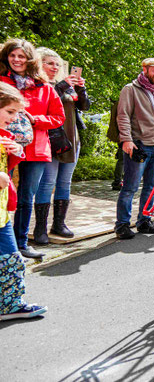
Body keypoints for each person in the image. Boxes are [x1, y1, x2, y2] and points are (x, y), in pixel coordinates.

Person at [0, 39, 65, 259]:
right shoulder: (1, 81)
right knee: (2, 193)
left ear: (30, 60)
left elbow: (58, 117)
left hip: (35, 148)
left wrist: (35, 119)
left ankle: (21, 243)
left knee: (26, 197)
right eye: (12, 55)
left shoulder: (45, 87)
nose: (17, 60)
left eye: (21, 56)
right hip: (5, 145)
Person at [0, 82, 47, 321]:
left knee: (11, 259)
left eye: (18, 113)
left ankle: (9, 305)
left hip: (2, 213)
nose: (14, 118)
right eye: (10, 112)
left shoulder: (5, 137)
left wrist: (14, 153)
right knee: (11, 259)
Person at [33, 48, 90, 243]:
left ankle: (59, 224)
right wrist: (62, 85)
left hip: (71, 138)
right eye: (49, 63)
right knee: (47, 182)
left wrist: (81, 89)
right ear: (39, 64)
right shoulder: (39, 84)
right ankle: (40, 228)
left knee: (64, 183)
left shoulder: (66, 85)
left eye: (57, 64)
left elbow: (84, 106)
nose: (54, 67)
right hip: (51, 139)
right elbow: (43, 104)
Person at [114, 58, 154, 239]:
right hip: (139, 145)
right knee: (130, 187)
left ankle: (144, 221)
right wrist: (126, 140)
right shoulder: (130, 89)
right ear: (144, 69)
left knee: (151, 187)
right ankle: (122, 224)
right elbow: (122, 116)